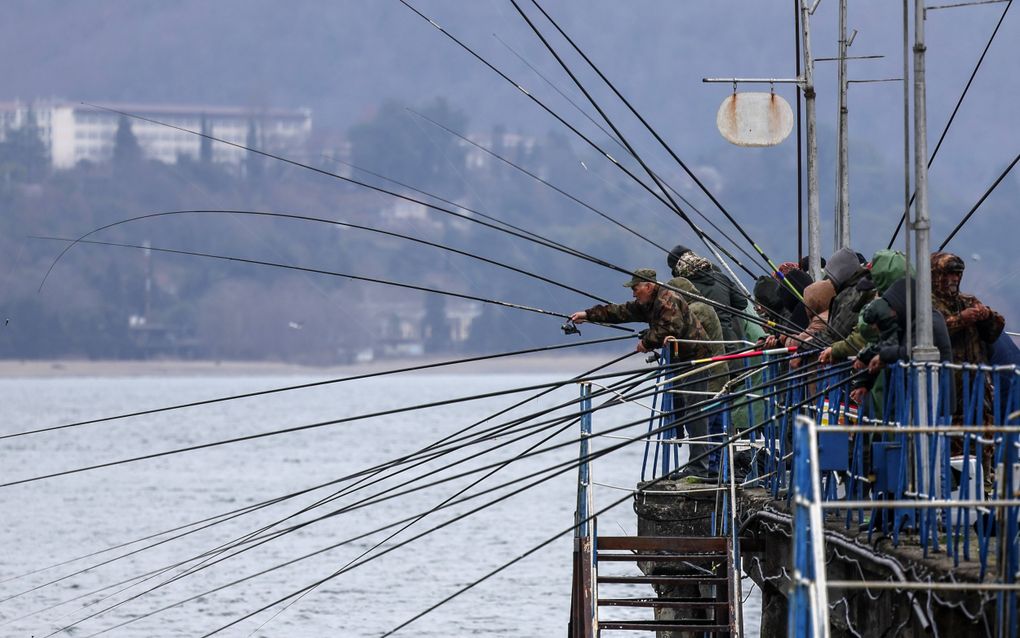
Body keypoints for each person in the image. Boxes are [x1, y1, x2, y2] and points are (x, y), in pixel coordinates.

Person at [569, 269, 716, 480]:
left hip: (696, 359)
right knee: (683, 411)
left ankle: (700, 468)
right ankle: (696, 465)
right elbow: (621, 312)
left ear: (648, 286)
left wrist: (646, 342)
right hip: (680, 359)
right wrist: (588, 315)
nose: (633, 294)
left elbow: (670, 327)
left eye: (636, 288)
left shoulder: (667, 300)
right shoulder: (648, 302)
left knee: (694, 411)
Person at [930, 251, 1005, 423]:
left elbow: (993, 333)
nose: (954, 278)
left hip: (977, 387)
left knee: (984, 444)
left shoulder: (967, 301)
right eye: (949, 273)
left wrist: (986, 316)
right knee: (952, 446)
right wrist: (960, 320)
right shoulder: (925, 304)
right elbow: (929, 334)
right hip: (947, 390)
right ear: (936, 274)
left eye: (957, 273)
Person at [666, 245, 746, 350]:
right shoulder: (721, 277)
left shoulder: (682, 288)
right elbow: (742, 303)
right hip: (731, 345)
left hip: (704, 351)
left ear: (677, 269)